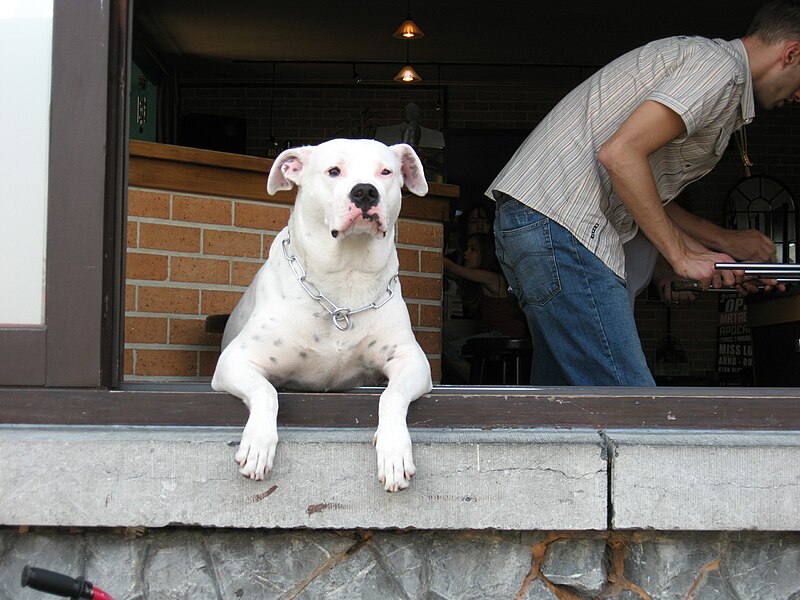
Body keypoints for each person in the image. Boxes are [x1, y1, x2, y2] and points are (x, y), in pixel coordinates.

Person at [486, 0, 799, 386]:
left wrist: (709, 256)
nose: (799, 97)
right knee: (637, 412)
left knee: (565, 412)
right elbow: (620, 154)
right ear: (792, 53)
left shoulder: (711, 66)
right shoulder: (721, 69)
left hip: (538, 221)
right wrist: (681, 255)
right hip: (562, 228)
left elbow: (641, 187)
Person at [442, 232, 529, 382]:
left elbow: (453, 268)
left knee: (452, 350)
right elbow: (455, 274)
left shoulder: (491, 277)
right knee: (442, 329)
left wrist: (431, 251)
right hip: (488, 327)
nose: (466, 253)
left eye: (473, 249)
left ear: (486, 253)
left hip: (504, 333)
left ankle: (478, 382)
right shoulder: (479, 278)